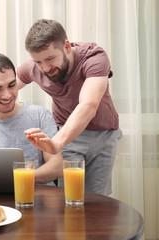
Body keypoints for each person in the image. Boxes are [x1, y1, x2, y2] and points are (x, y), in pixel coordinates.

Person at [17, 19, 122, 195]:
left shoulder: (94, 57)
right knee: (71, 198)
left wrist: (56, 143)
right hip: (69, 135)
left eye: (50, 58)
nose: (45, 68)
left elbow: (88, 105)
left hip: (104, 135)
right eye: (38, 62)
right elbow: (8, 88)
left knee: (97, 200)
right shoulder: (33, 67)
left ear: (66, 46)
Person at [0, 53, 63, 186]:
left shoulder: (40, 115)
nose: (7, 95)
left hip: (38, 199)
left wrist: (20, 177)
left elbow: (57, 166)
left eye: (12, 85)